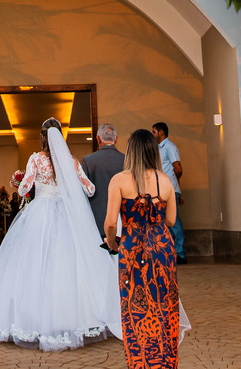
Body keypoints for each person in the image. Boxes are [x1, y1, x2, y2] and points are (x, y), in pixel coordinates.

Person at [0, 118, 122, 351]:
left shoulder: (36, 159)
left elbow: (24, 188)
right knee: (68, 265)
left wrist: (18, 180)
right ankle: (73, 318)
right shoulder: (71, 161)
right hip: (66, 214)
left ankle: (34, 320)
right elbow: (90, 189)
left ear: (42, 137)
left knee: (34, 264)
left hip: (40, 213)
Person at [105, 129, 188, 369]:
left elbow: (110, 223)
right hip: (162, 248)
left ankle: (141, 362)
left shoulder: (119, 180)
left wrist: (112, 243)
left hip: (132, 248)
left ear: (131, 151)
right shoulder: (165, 181)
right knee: (164, 304)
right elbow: (171, 220)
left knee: (135, 306)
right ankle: (164, 361)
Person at [80, 123, 126, 239]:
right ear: (116, 139)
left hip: (96, 219)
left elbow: (83, 191)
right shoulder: (126, 160)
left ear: (98, 139)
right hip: (122, 219)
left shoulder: (88, 160)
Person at [152, 122, 185, 262]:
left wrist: (173, 185)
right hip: (161, 190)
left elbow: (177, 168)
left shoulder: (169, 147)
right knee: (166, 221)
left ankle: (180, 253)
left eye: (154, 132)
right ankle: (171, 252)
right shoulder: (158, 148)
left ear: (161, 132)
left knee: (174, 221)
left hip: (169, 189)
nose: (153, 134)